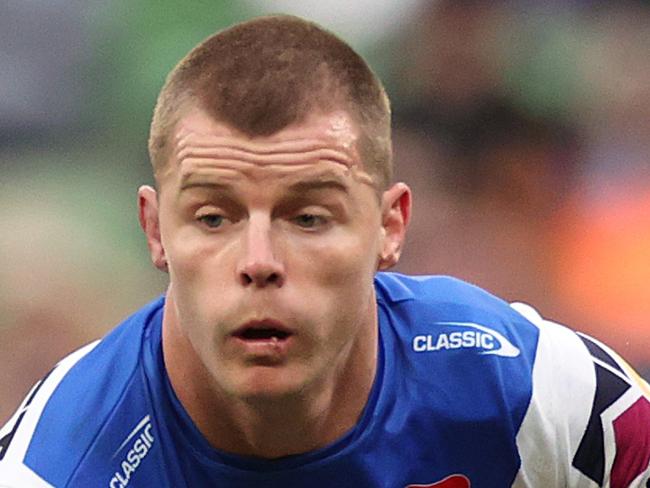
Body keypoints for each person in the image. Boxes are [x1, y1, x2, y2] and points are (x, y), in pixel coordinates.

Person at [0, 14, 648, 488]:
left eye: (308, 217)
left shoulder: (524, 388)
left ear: (390, 227)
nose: (258, 261)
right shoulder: (57, 467)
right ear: (156, 231)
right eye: (213, 217)